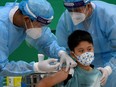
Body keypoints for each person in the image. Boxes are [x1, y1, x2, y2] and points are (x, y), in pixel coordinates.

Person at [0, 0, 77, 86]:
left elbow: (46, 42)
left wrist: (61, 53)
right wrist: (36, 67)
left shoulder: (26, 14)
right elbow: (2, 67)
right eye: (40, 26)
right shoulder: (2, 26)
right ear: (26, 19)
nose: (41, 30)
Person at [55, 0, 116, 87]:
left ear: (88, 6)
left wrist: (109, 69)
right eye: (70, 10)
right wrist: (62, 56)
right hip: (81, 73)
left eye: (77, 10)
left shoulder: (110, 17)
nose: (74, 14)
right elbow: (60, 48)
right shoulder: (66, 20)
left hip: (112, 70)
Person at [36, 30, 103, 87]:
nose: (86, 53)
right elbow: (42, 84)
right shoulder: (68, 72)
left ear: (93, 48)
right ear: (73, 54)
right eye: (81, 51)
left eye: (89, 49)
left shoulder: (99, 74)